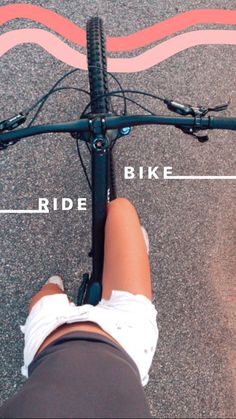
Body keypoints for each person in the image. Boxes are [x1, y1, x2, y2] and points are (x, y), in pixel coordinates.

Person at [0, 197, 158, 418]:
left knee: (47, 293)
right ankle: (131, 253)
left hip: (51, 337)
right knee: (121, 209)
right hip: (127, 338)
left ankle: (54, 287)